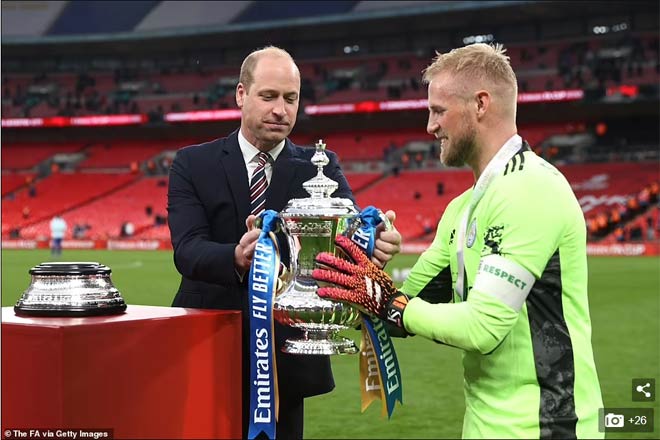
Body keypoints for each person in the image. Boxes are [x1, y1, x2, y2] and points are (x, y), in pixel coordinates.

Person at [312, 43, 603, 439]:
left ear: (481, 104)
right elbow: (405, 308)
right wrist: (361, 264)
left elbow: (481, 327)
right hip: (483, 425)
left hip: (547, 426)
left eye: (438, 111)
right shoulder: (462, 208)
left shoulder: (531, 189)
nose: (430, 127)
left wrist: (392, 303)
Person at [167, 46, 401, 439]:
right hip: (208, 344)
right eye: (269, 96)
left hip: (287, 357)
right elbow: (187, 250)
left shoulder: (320, 166)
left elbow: (348, 236)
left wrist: (373, 243)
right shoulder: (192, 163)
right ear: (242, 94)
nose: (280, 110)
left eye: (290, 99)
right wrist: (238, 257)